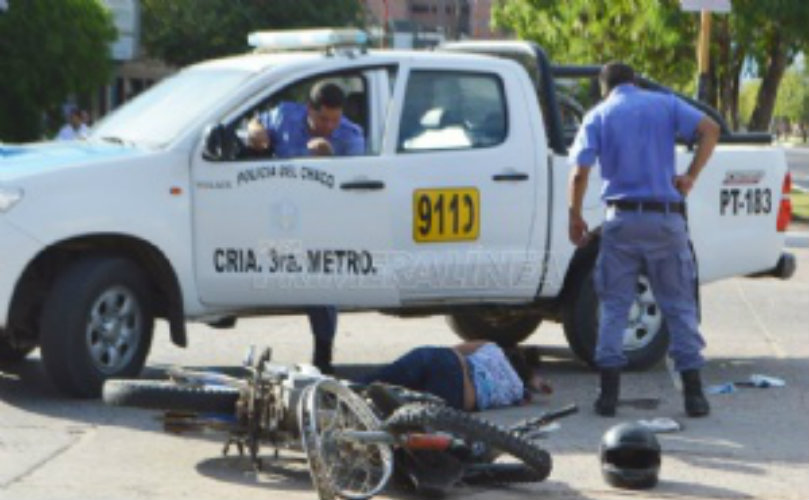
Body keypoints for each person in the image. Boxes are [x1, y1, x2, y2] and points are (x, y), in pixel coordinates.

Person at [567, 62, 720, 418]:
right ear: (635, 81)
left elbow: (579, 173)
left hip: (620, 221)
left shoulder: (599, 114)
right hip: (665, 219)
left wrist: (575, 216)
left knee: (615, 307)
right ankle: (694, 396)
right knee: (680, 306)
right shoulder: (664, 104)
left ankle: (608, 397)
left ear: (605, 89)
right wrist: (690, 176)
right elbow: (710, 129)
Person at [248, 81, 365, 374]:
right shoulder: (287, 115)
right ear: (308, 109)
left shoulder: (350, 136)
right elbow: (257, 120)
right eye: (323, 119)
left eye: (334, 119)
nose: (329, 126)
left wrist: (330, 160)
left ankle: (323, 356)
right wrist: (255, 131)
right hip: (274, 209)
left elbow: (357, 184)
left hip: (321, 218)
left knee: (319, 280)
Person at [360, 341, 549, 411]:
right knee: (400, 403)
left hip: (447, 361)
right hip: (457, 397)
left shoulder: (493, 349)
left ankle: (344, 391)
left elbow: (453, 350)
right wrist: (533, 383)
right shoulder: (517, 391)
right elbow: (531, 389)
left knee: (378, 381)